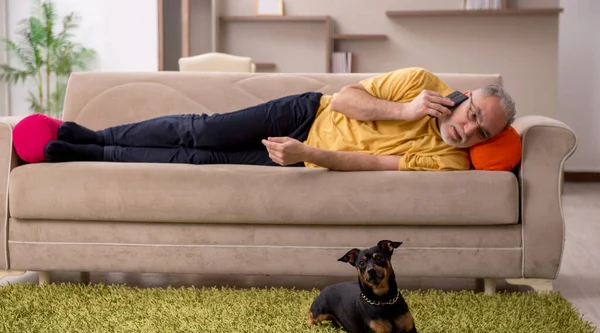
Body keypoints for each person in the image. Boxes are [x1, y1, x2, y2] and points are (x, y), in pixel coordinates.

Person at [43, 67, 516, 171]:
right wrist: (406, 110)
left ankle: (92, 152)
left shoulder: (451, 162)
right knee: (201, 129)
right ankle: (95, 135)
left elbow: (376, 167)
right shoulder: (421, 83)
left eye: (483, 132)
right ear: (466, 96)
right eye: (473, 113)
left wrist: (308, 155)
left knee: (198, 159)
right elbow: (347, 100)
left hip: (303, 156)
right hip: (307, 111)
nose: (469, 129)